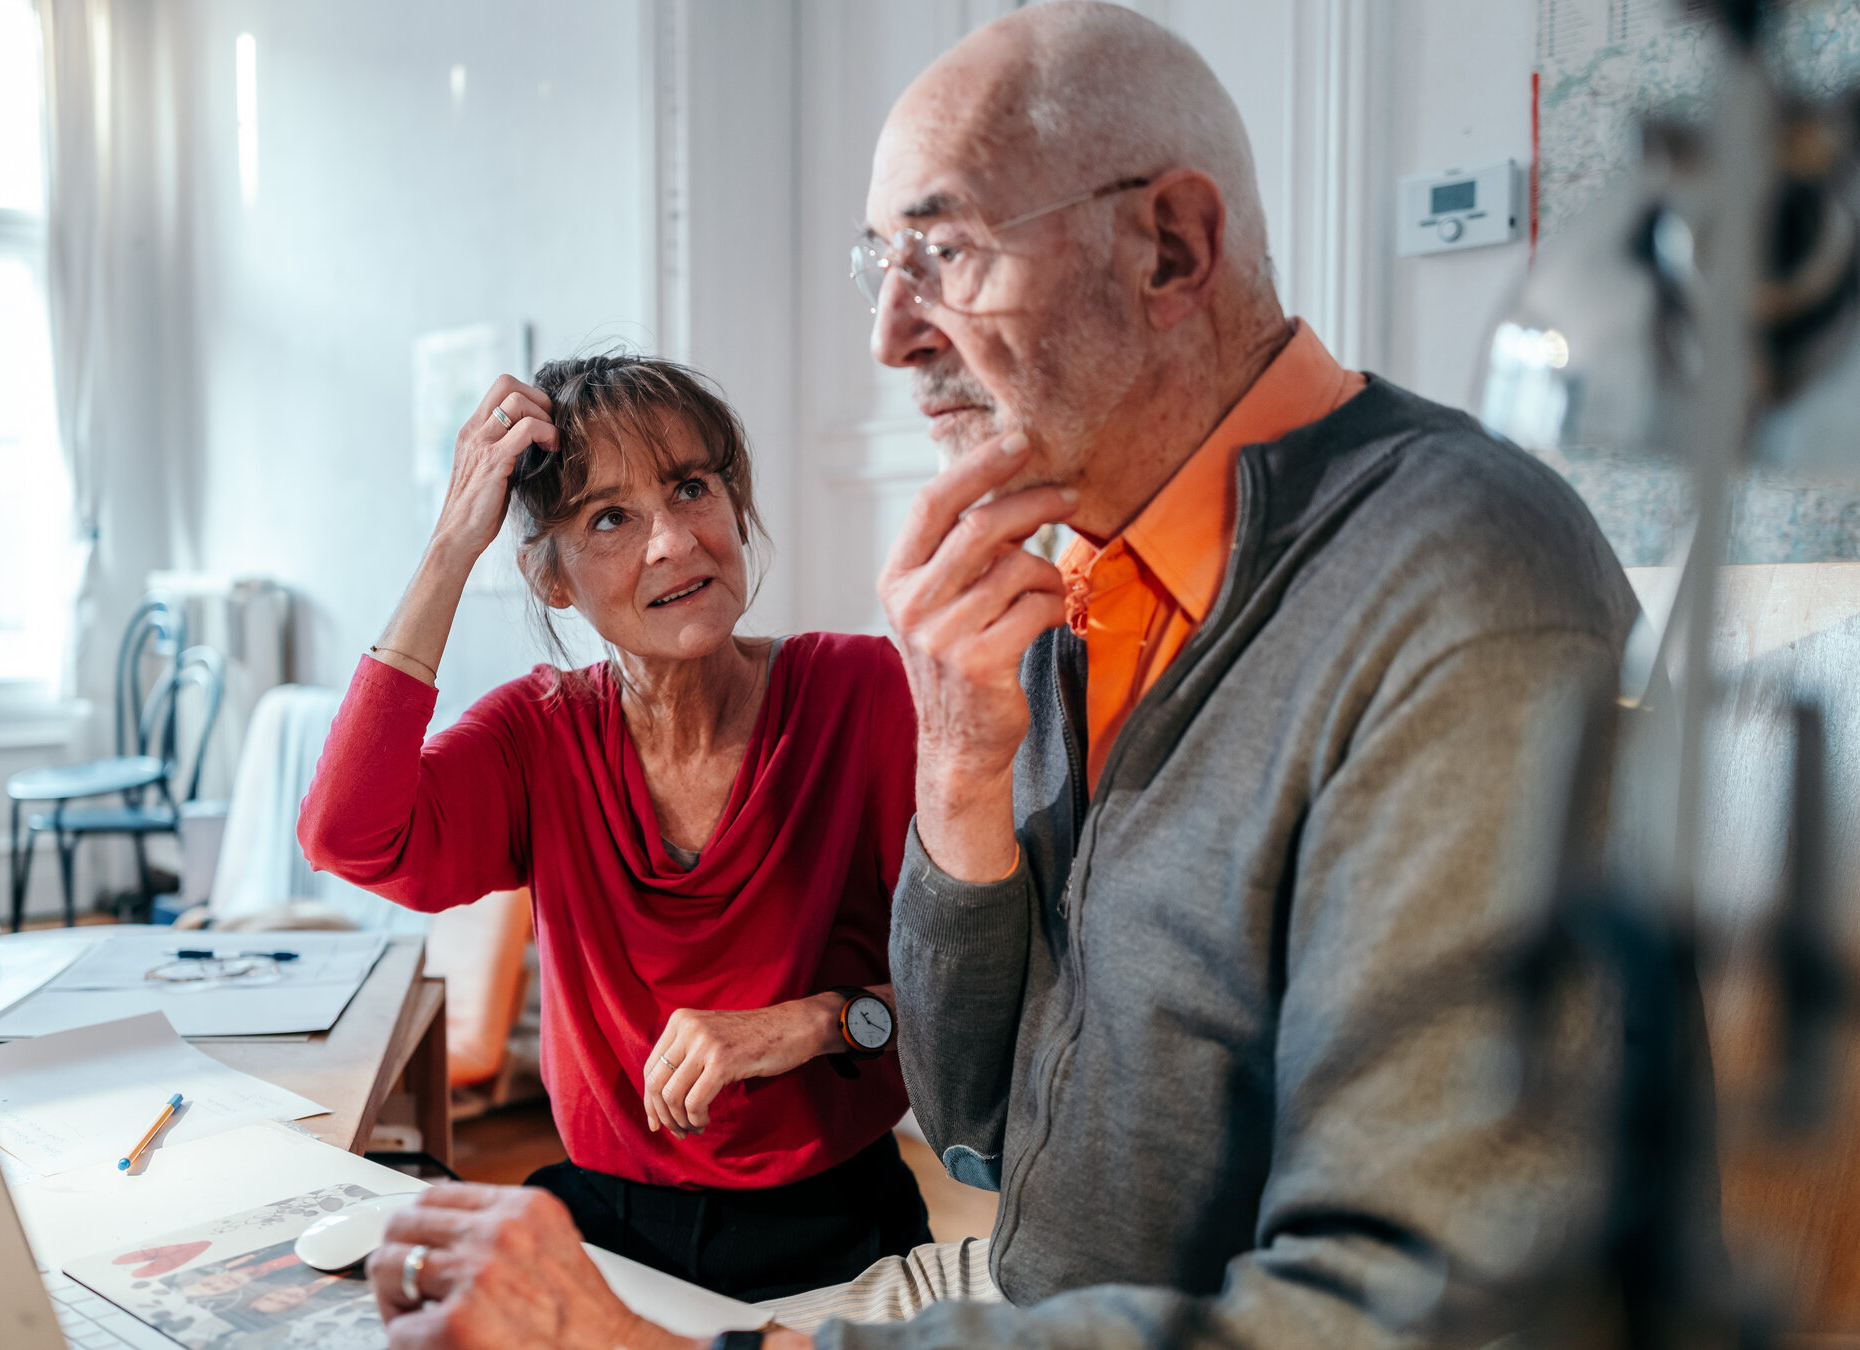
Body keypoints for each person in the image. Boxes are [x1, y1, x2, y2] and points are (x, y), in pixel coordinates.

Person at [354, 5, 1654, 1349]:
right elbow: (973, 1120)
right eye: (881, 265)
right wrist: (963, 780)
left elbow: (1418, 1303)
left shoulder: (1457, 572)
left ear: (1169, 245)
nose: (890, 336)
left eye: (944, 253)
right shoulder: (1059, 593)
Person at [297, 354, 932, 1301]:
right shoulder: (536, 735)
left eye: (691, 488)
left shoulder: (861, 693)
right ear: (550, 579)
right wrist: (449, 551)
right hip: (608, 1227)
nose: (674, 541)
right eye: (609, 517)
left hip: (838, 1228)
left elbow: (978, 992)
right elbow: (351, 835)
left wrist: (810, 1022)